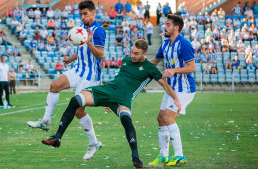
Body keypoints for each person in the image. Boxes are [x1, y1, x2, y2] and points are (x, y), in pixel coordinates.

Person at [41, 39, 181, 168]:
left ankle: (136, 157)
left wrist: (176, 99)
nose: (132, 55)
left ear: (144, 54)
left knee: (126, 120)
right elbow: (121, 78)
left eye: (136, 53)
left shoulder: (150, 69)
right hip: (108, 90)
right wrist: (108, 100)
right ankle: (57, 137)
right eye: (132, 52)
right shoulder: (126, 60)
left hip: (124, 98)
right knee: (75, 100)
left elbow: (165, 85)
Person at [27, 0, 106, 161]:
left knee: (78, 110)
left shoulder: (98, 31)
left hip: (90, 76)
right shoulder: (81, 29)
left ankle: (94, 142)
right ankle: (46, 121)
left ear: (93, 13)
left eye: (86, 14)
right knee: (54, 85)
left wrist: (89, 42)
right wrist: (70, 58)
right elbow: (82, 49)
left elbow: (99, 55)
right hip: (78, 69)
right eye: (81, 14)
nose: (83, 17)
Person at [149, 14, 196, 167]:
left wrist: (174, 70)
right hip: (171, 88)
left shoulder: (185, 44)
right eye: (165, 24)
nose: (164, 26)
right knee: (161, 118)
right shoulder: (165, 44)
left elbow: (192, 67)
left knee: (168, 118)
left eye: (168, 24)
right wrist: (139, 67)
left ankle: (179, 156)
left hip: (184, 89)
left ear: (176, 28)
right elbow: (155, 61)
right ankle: (163, 156)